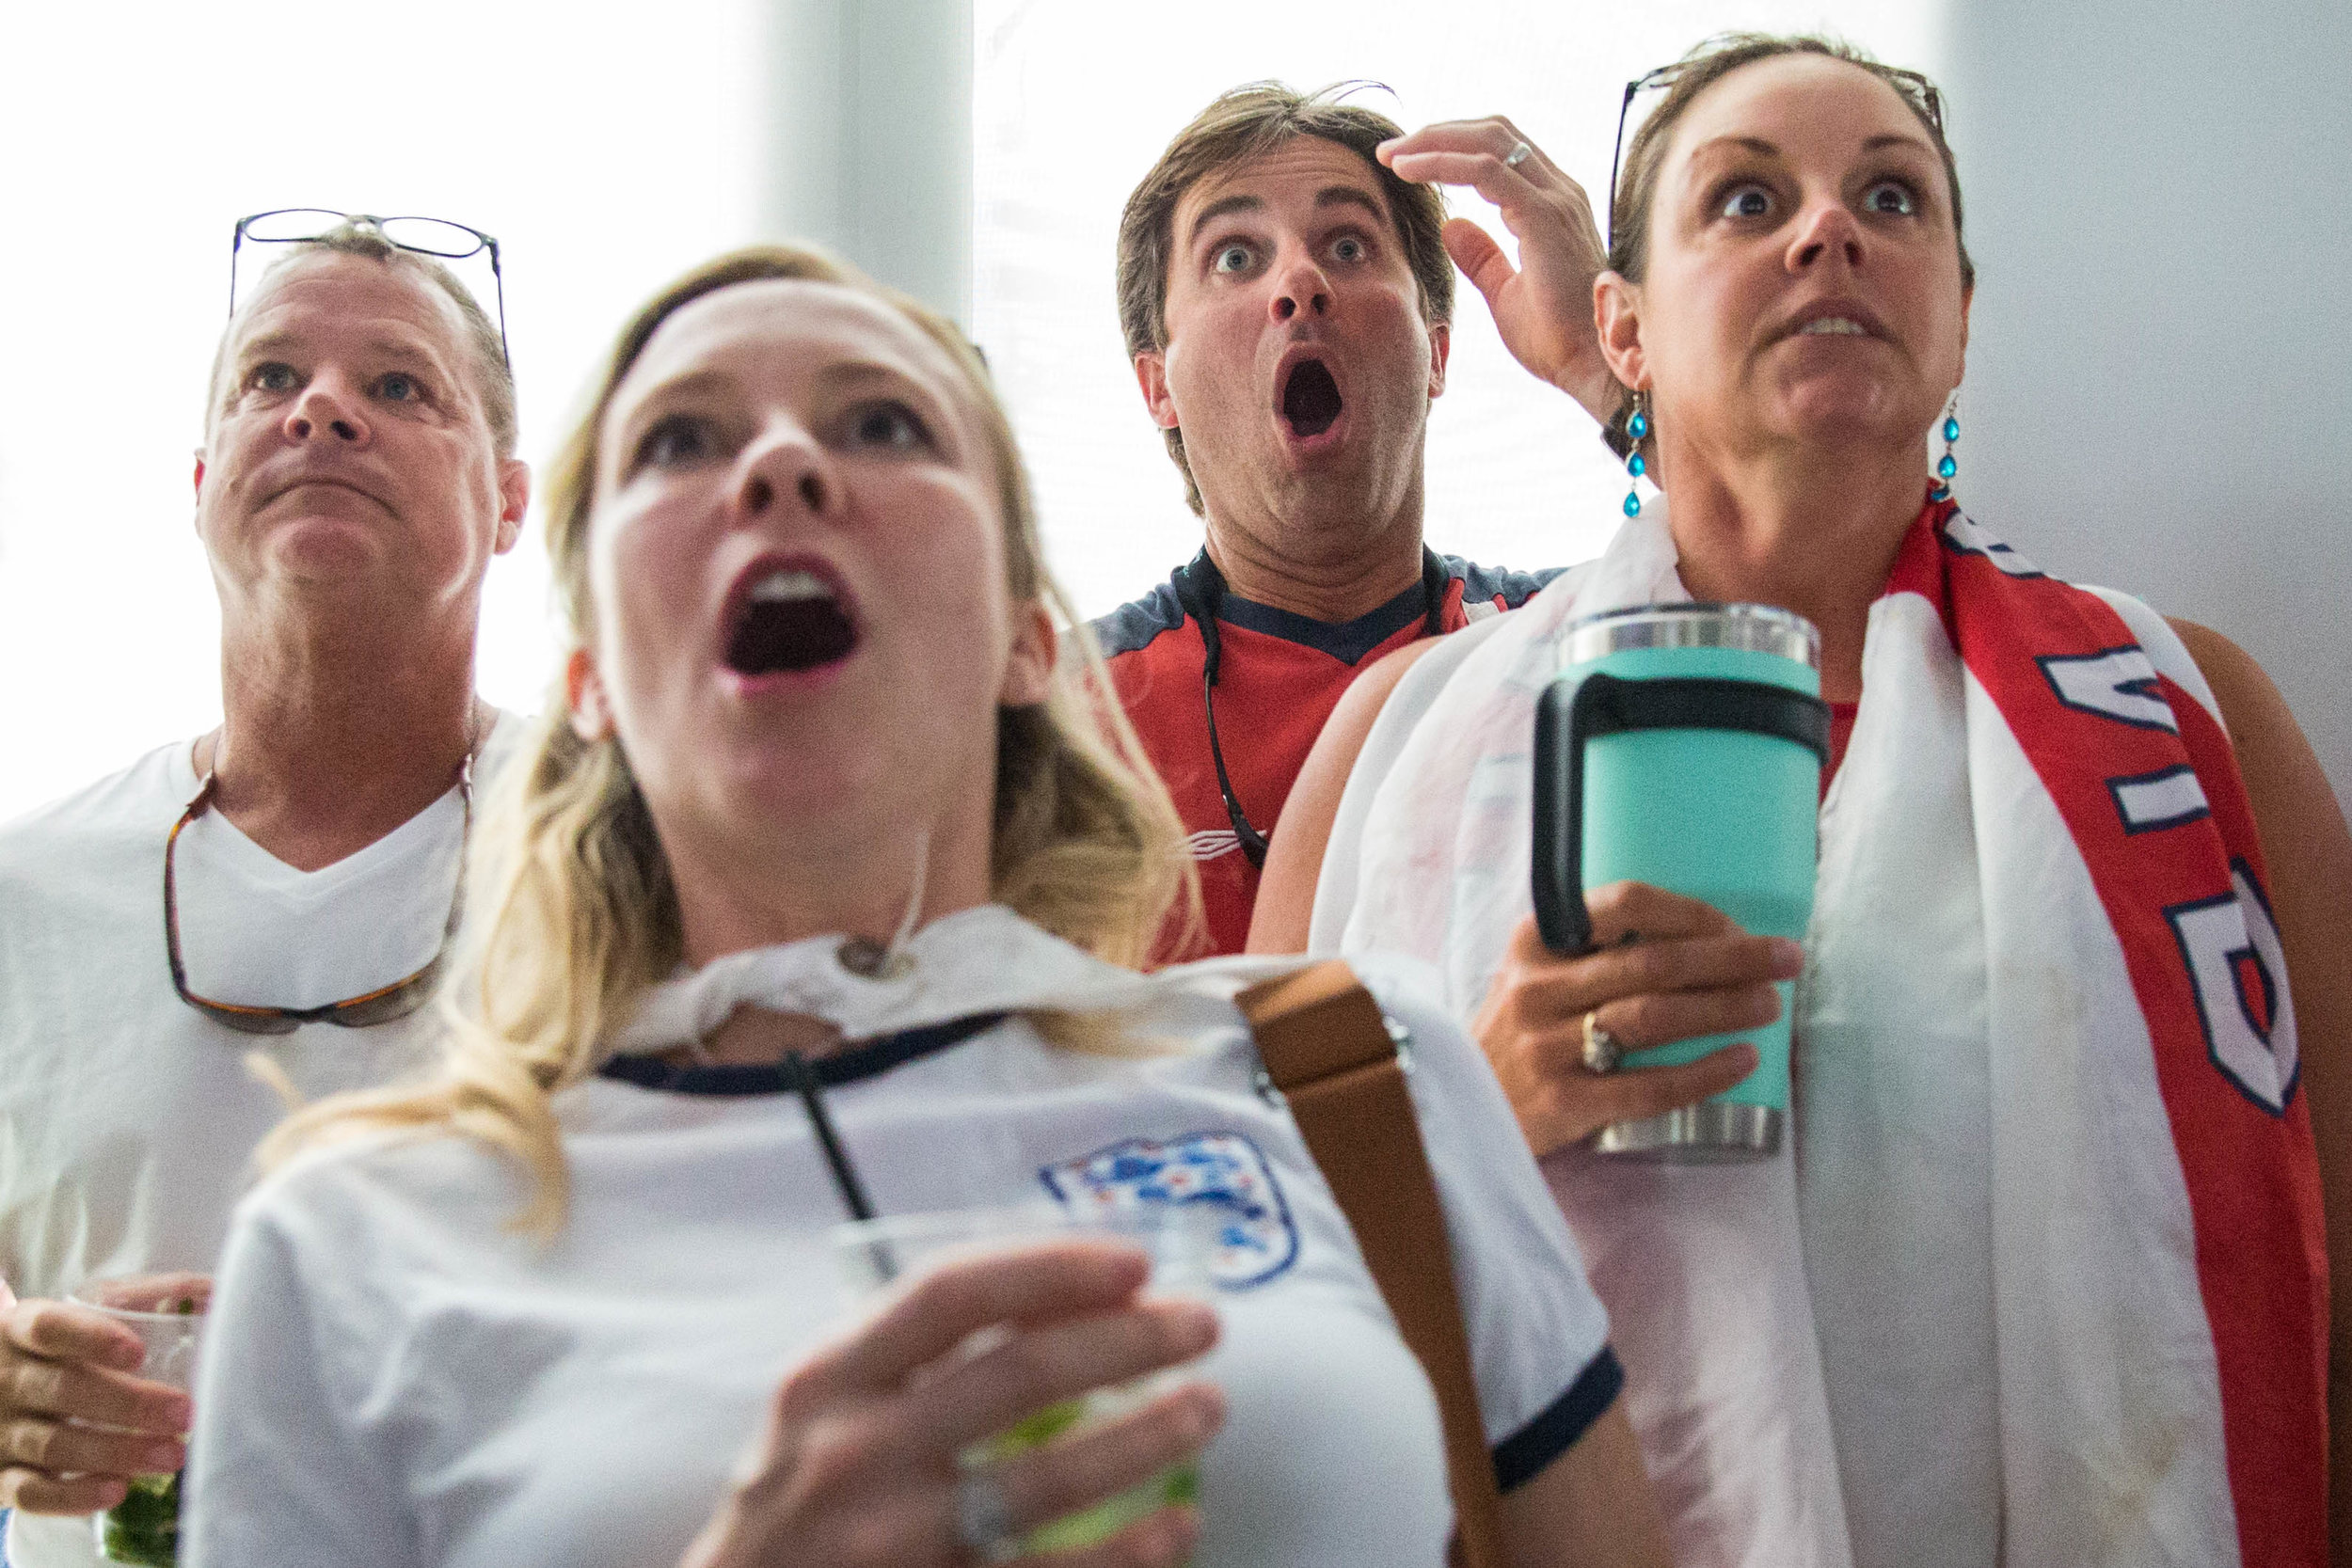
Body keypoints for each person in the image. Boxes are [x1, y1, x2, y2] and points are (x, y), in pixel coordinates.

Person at [177, 245, 1667, 1568]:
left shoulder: (1359, 1073)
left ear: (1032, 640)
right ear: (591, 692)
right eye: (682, 441)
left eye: (882, 424)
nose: (778, 471)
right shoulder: (350, 1245)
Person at [1258, 35, 2348, 1567]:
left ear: (1961, 320)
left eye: (1893, 198)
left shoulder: (2193, 709)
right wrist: (1475, 1107)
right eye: (1746, 198)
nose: (1827, 228)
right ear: (1619, 329)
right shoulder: (1398, 735)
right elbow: (1263, 1301)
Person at [0, 216, 528, 1568]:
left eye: (400, 386)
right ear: (199, 479)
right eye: (270, 378)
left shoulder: (640, 854)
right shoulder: (26, 889)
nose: (322, 412)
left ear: (511, 499)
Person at [1092, 83, 1636, 961]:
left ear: (1439, 351)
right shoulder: (1066, 721)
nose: (1299, 283)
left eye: (1348, 245)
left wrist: (1608, 379)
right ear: (1159, 387)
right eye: (1235, 257)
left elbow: (1810, 591)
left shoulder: (1568, 649)